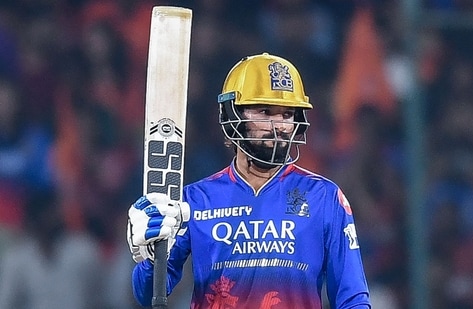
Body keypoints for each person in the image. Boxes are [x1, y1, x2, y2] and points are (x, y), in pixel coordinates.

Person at [127, 53, 371, 308]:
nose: (279, 126)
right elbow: (147, 295)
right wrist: (153, 258)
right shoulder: (195, 200)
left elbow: (353, 297)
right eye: (265, 112)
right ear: (233, 115)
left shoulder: (324, 197)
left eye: (287, 115)